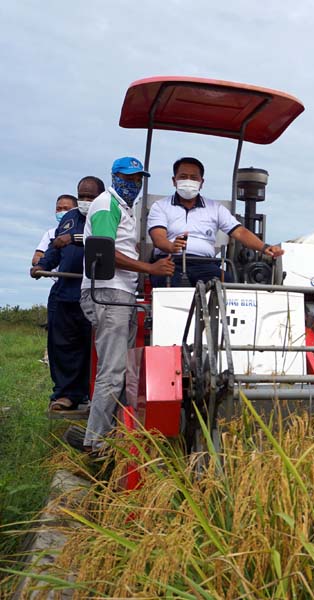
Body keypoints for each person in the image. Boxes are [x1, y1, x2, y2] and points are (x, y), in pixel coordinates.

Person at [80, 157, 175, 452]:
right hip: (109, 293)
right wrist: (151, 270)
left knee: (124, 371)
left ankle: (115, 436)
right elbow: (104, 250)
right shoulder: (107, 205)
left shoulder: (125, 209)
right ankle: (95, 443)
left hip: (123, 294)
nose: (133, 184)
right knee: (112, 371)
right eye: (128, 178)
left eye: (138, 179)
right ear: (115, 177)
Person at [147, 156, 283, 287]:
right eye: (183, 177)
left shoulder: (215, 208)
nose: (188, 181)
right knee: (166, 281)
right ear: (174, 180)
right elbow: (158, 238)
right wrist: (171, 247)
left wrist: (265, 248)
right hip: (171, 262)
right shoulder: (160, 206)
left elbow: (240, 232)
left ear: (201, 183)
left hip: (205, 264)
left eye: (193, 178)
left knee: (227, 281)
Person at [31, 178, 105, 411]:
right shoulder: (69, 218)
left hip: (92, 289)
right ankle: (64, 394)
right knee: (60, 345)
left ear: (100, 197)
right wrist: (42, 265)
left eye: (90, 197)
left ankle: (85, 393)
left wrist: (73, 239)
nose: (85, 201)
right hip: (64, 289)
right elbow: (55, 247)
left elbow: (103, 243)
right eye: (81, 196)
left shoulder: (103, 216)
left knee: (88, 345)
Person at [33, 195, 78, 366]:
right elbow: (37, 258)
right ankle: (51, 360)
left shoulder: (84, 229)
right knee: (55, 330)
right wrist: (49, 261)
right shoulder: (51, 233)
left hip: (83, 285)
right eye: (58, 208)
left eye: (65, 208)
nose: (61, 212)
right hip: (61, 285)